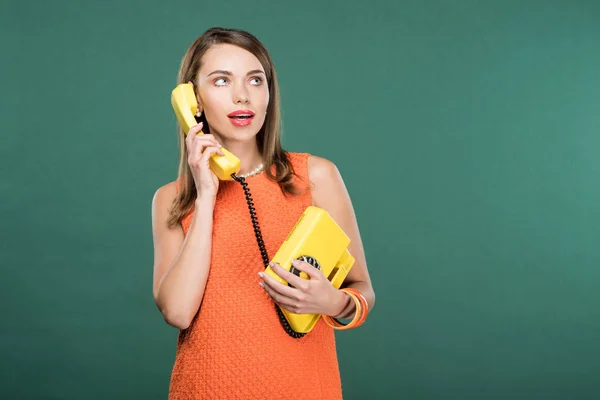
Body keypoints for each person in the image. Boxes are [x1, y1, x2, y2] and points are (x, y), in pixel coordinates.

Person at [151, 27, 376, 399]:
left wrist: (334, 302)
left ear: (269, 94)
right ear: (193, 101)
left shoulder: (316, 176)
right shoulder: (171, 200)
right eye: (221, 81)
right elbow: (177, 312)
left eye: (255, 80)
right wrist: (206, 194)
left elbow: (362, 288)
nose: (243, 95)